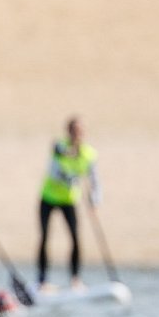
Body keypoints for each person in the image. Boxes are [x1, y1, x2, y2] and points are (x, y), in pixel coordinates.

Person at [37, 117, 99, 290]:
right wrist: (70, 155)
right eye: (73, 131)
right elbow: (56, 162)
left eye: (79, 131)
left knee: (75, 238)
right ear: (68, 131)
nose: (76, 135)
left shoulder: (88, 154)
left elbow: (94, 180)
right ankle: (42, 280)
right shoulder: (59, 146)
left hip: (69, 200)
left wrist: (95, 200)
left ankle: (75, 279)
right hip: (48, 197)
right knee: (44, 237)